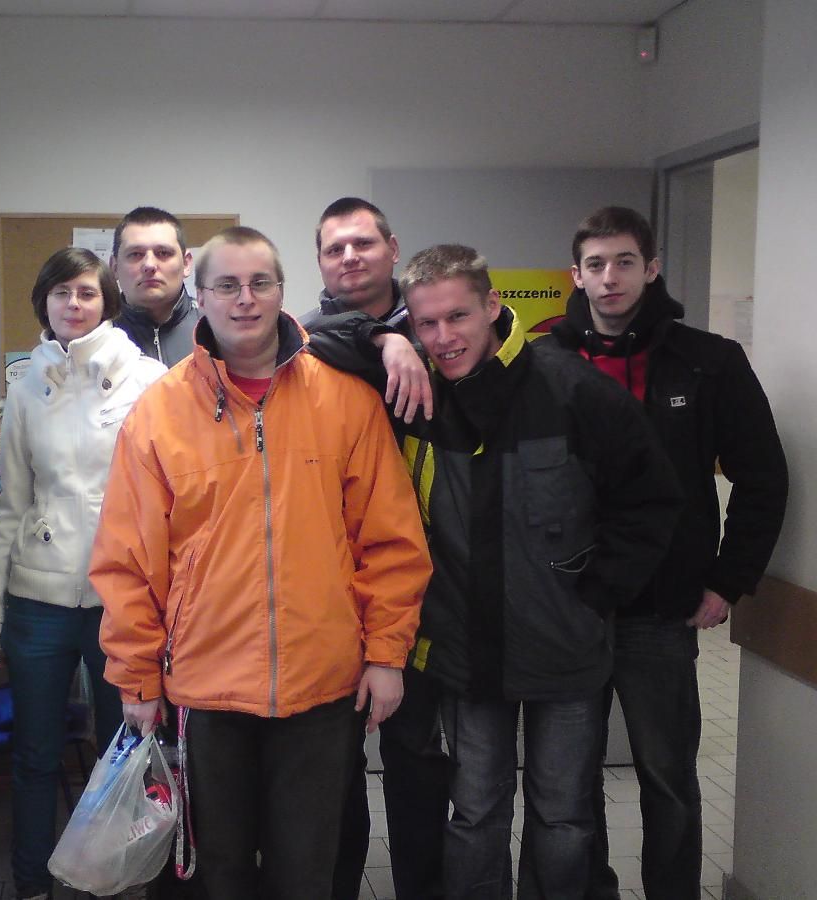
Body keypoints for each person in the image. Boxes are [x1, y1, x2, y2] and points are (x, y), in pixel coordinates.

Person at [308, 243, 682, 899]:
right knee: (475, 811)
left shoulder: (572, 390)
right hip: (467, 656)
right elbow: (309, 336)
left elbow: (650, 499)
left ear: (492, 306)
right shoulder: (411, 391)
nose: (443, 337)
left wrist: (597, 593)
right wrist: (384, 339)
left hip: (565, 649)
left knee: (563, 815)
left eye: (458, 316)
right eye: (425, 323)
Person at [90, 226, 431, 900]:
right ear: (202, 295)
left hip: (321, 686)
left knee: (306, 870)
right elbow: (129, 560)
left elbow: (390, 542)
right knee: (218, 873)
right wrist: (136, 677)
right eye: (227, 285)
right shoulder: (160, 412)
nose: (244, 299)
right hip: (206, 686)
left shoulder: (345, 399)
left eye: (259, 283)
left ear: (281, 292)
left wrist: (387, 654)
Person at [551, 207, 788, 900]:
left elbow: (763, 476)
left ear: (651, 268)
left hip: (662, 610)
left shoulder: (709, 362)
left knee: (667, 777)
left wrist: (728, 579)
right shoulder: (546, 362)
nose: (610, 277)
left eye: (625, 261)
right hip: (571, 606)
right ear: (576, 275)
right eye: (596, 264)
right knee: (570, 780)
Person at [0, 247, 166, 900]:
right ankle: (31, 883)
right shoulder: (26, 387)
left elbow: (167, 501)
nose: (74, 304)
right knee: (34, 754)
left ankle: (114, 881)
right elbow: (10, 506)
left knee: (123, 754)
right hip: (38, 599)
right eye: (61, 293)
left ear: (107, 300)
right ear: (44, 303)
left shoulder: (148, 380)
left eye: (86, 292)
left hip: (122, 602)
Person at [309, 197, 444, 900]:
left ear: (393, 247)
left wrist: (404, 337)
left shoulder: (437, 329)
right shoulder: (308, 342)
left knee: (419, 763)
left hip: (424, 584)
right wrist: (385, 340)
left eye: (363, 243)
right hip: (334, 587)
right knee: (336, 779)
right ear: (320, 262)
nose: (350, 257)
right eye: (335, 248)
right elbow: (313, 331)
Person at [110, 206, 199, 366]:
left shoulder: (217, 328)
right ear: (114, 267)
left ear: (186, 264)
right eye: (136, 254)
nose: (149, 265)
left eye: (163, 253)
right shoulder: (95, 335)